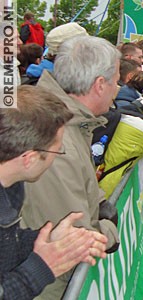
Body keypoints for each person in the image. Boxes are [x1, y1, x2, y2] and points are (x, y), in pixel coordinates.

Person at [21, 35, 121, 299]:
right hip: (50, 288)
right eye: (116, 81)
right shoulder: (58, 140)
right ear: (100, 85)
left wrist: (100, 205)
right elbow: (73, 237)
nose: (118, 89)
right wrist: (110, 231)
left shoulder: (72, 125)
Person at [0, 85, 108, 300]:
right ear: (29, 158)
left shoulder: (12, 187)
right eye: (56, 150)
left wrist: (48, 240)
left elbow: (6, 246)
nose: (57, 155)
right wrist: (43, 266)